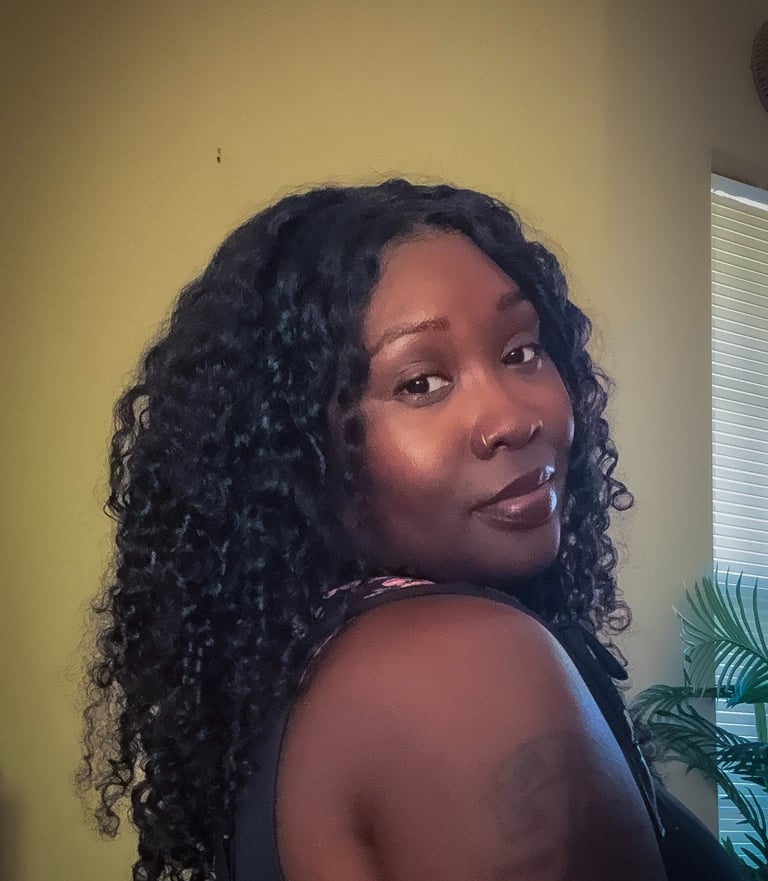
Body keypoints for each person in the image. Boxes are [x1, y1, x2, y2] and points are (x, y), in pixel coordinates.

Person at [79, 180, 743, 881]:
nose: (514, 418)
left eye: (521, 351)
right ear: (297, 451)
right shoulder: (466, 664)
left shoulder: (309, 670)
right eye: (420, 383)